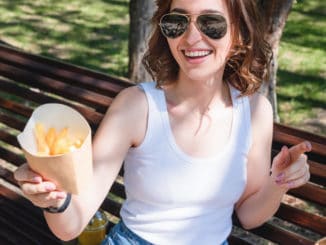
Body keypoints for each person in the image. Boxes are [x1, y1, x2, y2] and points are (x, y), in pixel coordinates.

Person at [14, 0, 311, 244]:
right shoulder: (136, 107)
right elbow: (71, 224)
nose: (191, 37)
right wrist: (56, 200)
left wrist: (278, 182)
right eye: (177, 23)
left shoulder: (256, 112)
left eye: (211, 23)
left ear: (238, 33)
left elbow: (248, 215)